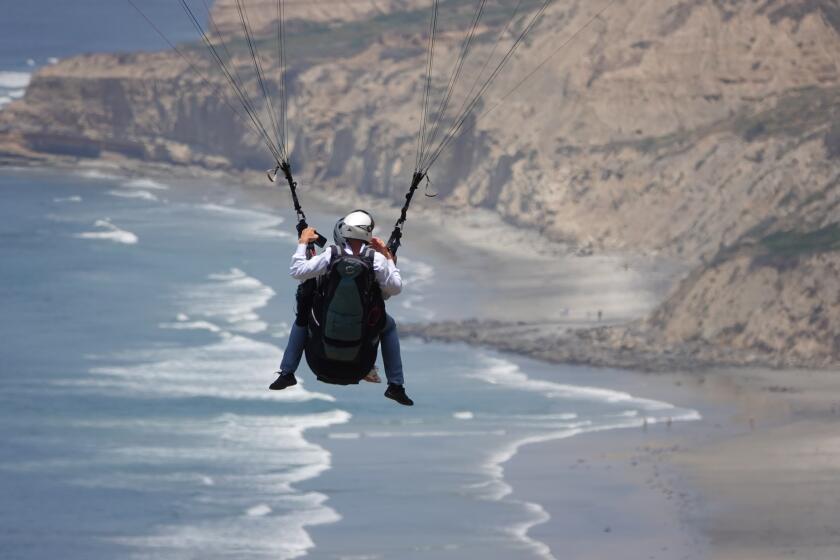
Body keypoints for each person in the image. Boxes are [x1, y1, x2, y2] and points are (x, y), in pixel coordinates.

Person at [269, 210, 414, 406]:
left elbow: (297, 271)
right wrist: (387, 256)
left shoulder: (331, 254)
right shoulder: (376, 260)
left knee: (303, 316)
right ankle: (396, 385)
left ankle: (287, 372)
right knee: (388, 326)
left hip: (321, 351)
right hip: (359, 354)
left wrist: (303, 242)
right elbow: (395, 288)